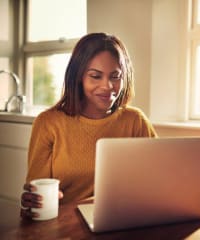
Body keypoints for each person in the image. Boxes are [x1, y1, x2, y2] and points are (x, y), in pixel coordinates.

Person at [20, 32, 157, 219]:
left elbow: (158, 180)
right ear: (78, 77)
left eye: (115, 77)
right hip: (65, 224)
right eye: (95, 76)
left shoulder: (135, 121)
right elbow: (35, 191)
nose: (108, 86)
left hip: (122, 220)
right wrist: (34, 201)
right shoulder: (49, 123)